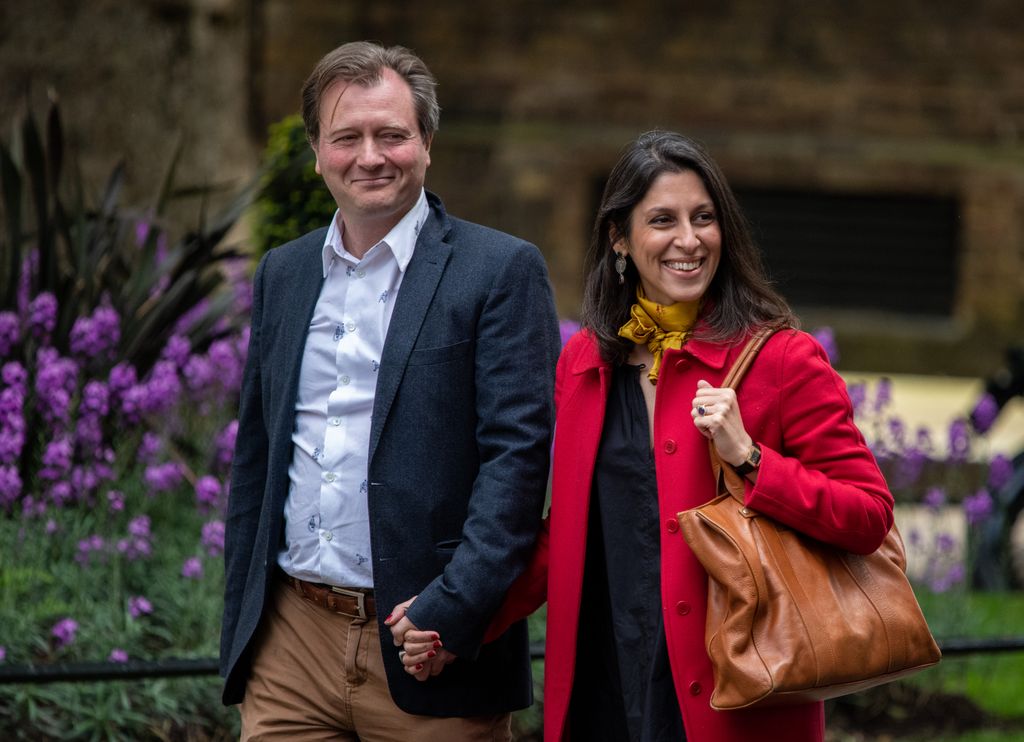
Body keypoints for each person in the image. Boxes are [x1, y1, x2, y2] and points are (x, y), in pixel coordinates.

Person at [399, 131, 895, 741]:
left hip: (731, 691)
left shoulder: (784, 359)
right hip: (603, 681)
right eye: (662, 220)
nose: (688, 240)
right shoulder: (583, 362)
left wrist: (752, 460)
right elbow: (568, 535)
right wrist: (463, 621)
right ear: (620, 239)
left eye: (704, 218)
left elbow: (869, 516)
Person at [219, 41, 561, 740]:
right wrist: (245, 625)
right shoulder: (282, 274)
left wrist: (453, 612)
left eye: (392, 135)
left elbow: (519, 462)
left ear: (426, 144)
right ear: (316, 151)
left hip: (431, 649)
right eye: (346, 137)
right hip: (291, 644)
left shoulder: (499, 270)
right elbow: (256, 454)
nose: (370, 156)